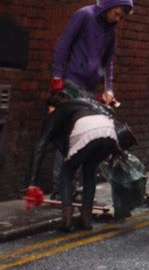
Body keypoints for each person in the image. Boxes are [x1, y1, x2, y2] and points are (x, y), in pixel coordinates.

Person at [50, 0, 134, 197]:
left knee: (83, 138)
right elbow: (63, 45)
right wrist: (57, 77)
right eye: (117, 13)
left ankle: (72, 186)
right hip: (71, 83)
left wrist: (109, 89)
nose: (117, 19)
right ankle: (60, 187)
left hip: (90, 88)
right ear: (110, 4)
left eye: (121, 17)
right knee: (68, 136)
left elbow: (108, 63)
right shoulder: (84, 15)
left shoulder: (111, 31)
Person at [28, 94, 135, 233]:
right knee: (89, 171)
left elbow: (41, 146)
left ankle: (66, 220)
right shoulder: (85, 104)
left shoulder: (58, 111)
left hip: (86, 132)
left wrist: (33, 184)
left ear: (52, 107)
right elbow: (111, 113)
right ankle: (86, 220)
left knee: (66, 172)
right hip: (109, 133)